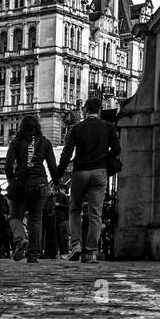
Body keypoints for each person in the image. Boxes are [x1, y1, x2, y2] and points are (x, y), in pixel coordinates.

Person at [56, 96, 121, 264]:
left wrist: (58, 175)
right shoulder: (108, 127)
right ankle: (91, 251)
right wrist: (104, 157)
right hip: (99, 172)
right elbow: (117, 149)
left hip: (80, 172)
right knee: (95, 214)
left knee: (75, 210)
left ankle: (76, 245)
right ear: (99, 111)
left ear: (85, 110)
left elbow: (66, 154)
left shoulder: (76, 128)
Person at [5, 115, 60, 263]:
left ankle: (21, 238)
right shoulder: (45, 142)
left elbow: (8, 165)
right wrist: (56, 182)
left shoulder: (16, 142)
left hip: (21, 183)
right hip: (40, 184)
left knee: (15, 216)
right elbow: (52, 165)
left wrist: (11, 180)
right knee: (36, 220)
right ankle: (33, 254)